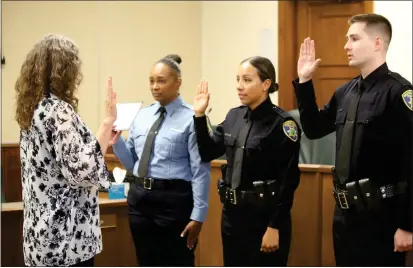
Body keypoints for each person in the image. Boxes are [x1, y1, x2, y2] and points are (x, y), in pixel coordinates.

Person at [292, 14, 412, 266]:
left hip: (383, 216)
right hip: (345, 215)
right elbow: (313, 129)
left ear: (378, 43)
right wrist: (304, 81)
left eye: (354, 38)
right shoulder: (344, 92)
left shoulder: (399, 91)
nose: (346, 46)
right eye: (348, 39)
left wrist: (407, 225)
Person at [14, 34, 118, 267]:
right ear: (65, 70)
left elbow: (61, 162)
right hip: (66, 239)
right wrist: (107, 121)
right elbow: (82, 171)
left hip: (40, 235)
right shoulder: (58, 110)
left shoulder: (34, 109)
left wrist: (103, 140)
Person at [192, 56, 301, 266]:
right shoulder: (233, 117)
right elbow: (207, 152)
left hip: (264, 217)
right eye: (238, 79)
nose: (239, 86)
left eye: (247, 80)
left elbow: (289, 181)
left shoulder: (283, 124)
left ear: (266, 84)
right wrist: (199, 115)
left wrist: (274, 227)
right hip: (232, 216)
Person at [111, 54, 211, 266]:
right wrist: (116, 141)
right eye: (151, 81)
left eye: (161, 81)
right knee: (145, 260)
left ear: (178, 82)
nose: (155, 87)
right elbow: (131, 163)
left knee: (177, 260)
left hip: (173, 201)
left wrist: (198, 216)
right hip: (140, 200)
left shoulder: (193, 117)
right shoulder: (142, 116)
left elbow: (200, 171)